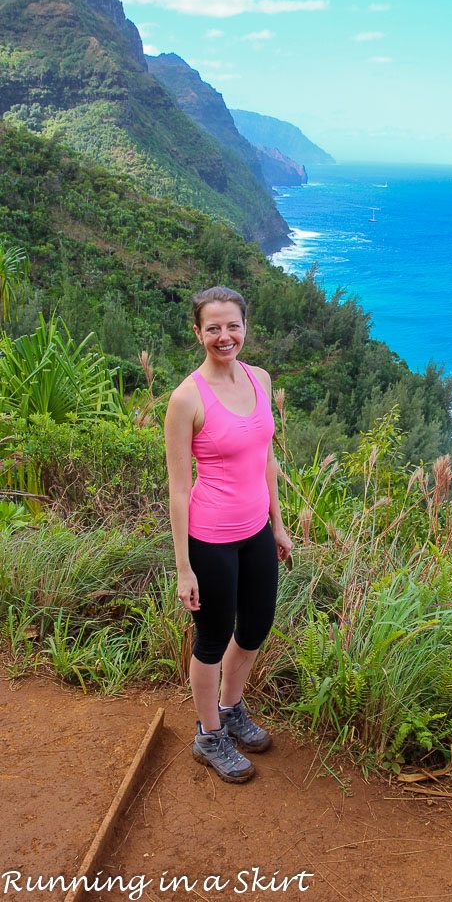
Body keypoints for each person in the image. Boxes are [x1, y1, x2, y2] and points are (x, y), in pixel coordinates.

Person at [164, 285, 292, 783]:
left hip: (256, 529)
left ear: (245, 327)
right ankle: (209, 733)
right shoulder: (186, 398)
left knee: (256, 627)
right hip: (211, 537)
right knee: (213, 638)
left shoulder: (259, 379)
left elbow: (267, 458)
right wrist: (183, 567)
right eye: (212, 327)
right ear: (197, 332)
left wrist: (277, 525)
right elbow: (178, 489)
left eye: (232, 325)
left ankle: (232, 707)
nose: (224, 336)